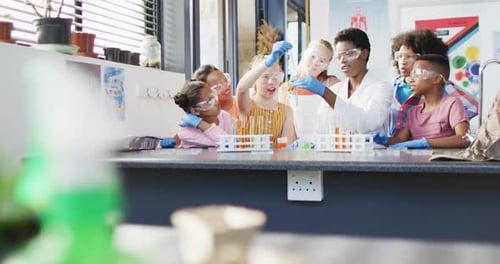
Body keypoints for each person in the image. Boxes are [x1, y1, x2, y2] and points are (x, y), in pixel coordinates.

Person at [291, 27, 392, 134]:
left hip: (372, 150)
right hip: (336, 150)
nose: (342, 60)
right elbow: (321, 129)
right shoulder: (336, 89)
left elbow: (368, 122)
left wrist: (325, 93)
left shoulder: (382, 87)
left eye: (348, 54)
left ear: (364, 53)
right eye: (339, 56)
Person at [389, 29, 478, 136]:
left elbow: (473, 110)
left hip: (434, 148)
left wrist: (447, 126)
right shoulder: (391, 86)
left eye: (409, 56)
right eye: (399, 56)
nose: (403, 62)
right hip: (398, 147)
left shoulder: (440, 86)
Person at [373, 54, 470, 149]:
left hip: (442, 163)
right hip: (418, 164)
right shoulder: (413, 111)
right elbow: (399, 139)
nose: (411, 79)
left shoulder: (452, 104)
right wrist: (386, 141)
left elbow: (464, 139)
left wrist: (426, 142)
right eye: (411, 74)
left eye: (417, 74)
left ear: (436, 79)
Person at [236, 40, 296, 147]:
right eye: (265, 77)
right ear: (254, 80)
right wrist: (267, 63)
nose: (271, 82)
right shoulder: (248, 105)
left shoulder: (286, 111)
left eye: (276, 76)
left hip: (275, 163)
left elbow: (285, 147)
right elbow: (241, 88)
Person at [279, 39, 340, 138]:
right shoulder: (286, 89)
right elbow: (286, 127)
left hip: (325, 147)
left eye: (322, 61)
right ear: (304, 54)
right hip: (298, 149)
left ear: (326, 66)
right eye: (312, 56)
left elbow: (345, 113)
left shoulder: (332, 84)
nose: (315, 63)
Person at [173, 80, 233, 148]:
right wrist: (200, 124)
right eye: (209, 101)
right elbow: (226, 143)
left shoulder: (224, 116)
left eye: (214, 95)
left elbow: (231, 143)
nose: (216, 101)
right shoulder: (186, 133)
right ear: (195, 111)